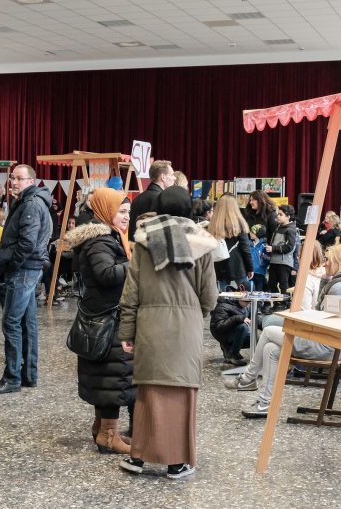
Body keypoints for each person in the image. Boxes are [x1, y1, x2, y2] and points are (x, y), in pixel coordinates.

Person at [118, 185, 218, 479]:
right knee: (180, 394)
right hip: (185, 329)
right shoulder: (201, 245)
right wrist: (193, 315)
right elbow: (210, 296)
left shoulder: (143, 242)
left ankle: (137, 458)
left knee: (149, 392)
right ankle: (177, 462)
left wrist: (127, 331)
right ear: (190, 209)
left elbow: (131, 292)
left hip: (149, 326)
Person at [226, 244, 341, 418]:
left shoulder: (337, 288)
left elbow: (325, 322)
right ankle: (264, 403)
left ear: (338, 261)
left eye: (328, 260)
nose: (325, 264)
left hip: (323, 345)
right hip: (333, 344)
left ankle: (246, 379)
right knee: (270, 350)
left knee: (268, 330)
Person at [64, 187, 134, 454]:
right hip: (109, 318)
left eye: (129, 212)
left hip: (104, 316)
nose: (127, 217)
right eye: (122, 211)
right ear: (106, 211)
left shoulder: (105, 236)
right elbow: (106, 274)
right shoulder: (100, 240)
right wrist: (136, 264)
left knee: (108, 378)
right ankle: (108, 435)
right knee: (113, 378)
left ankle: (101, 428)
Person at [0, 164, 52, 394]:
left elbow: (27, 243)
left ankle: (12, 377)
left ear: (31, 182)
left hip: (23, 270)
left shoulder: (31, 204)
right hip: (29, 268)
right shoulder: (31, 201)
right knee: (27, 323)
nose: (14, 182)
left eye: (20, 179)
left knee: (11, 322)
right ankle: (28, 375)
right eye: (12, 178)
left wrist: (11, 265)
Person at [208, 195, 253, 291]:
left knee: (223, 296)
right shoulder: (239, 223)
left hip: (219, 264)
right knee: (245, 295)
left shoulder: (213, 224)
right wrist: (250, 268)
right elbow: (245, 248)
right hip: (238, 265)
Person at [128, 160, 175, 240]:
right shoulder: (162, 200)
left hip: (134, 247)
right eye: (172, 175)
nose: (174, 178)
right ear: (163, 177)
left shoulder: (137, 198)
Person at [265, 204, 297, 296]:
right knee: (271, 284)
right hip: (274, 261)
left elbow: (289, 247)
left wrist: (273, 248)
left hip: (284, 262)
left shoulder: (290, 229)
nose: (278, 216)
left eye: (281, 214)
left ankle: (284, 304)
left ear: (288, 216)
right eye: (278, 214)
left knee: (284, 286)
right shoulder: (278, 227)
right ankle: (277, 304)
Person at [211, 297, 250, 366]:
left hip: (236, 332)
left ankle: (229, 348)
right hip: (222, 333)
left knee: (257, 339)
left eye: (249, 302)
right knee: (243, 327)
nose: (247, 304)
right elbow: (219, 327)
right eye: (246, 302)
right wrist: (238, 318)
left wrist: (264, 324)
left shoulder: (246, 306)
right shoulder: (223, 306)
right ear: (239, 299)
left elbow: (253, 318)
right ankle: (233, 354)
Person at [249, 224, 270, 292]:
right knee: (249, 290)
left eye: (252, 232)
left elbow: (268, 259)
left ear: (258, 234)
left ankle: (260, 303)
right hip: (249, 271)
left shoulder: (264, 245)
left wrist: (264, 262)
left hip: (260, 271)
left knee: (259, 290)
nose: (250, 233)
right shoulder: (249, 244)